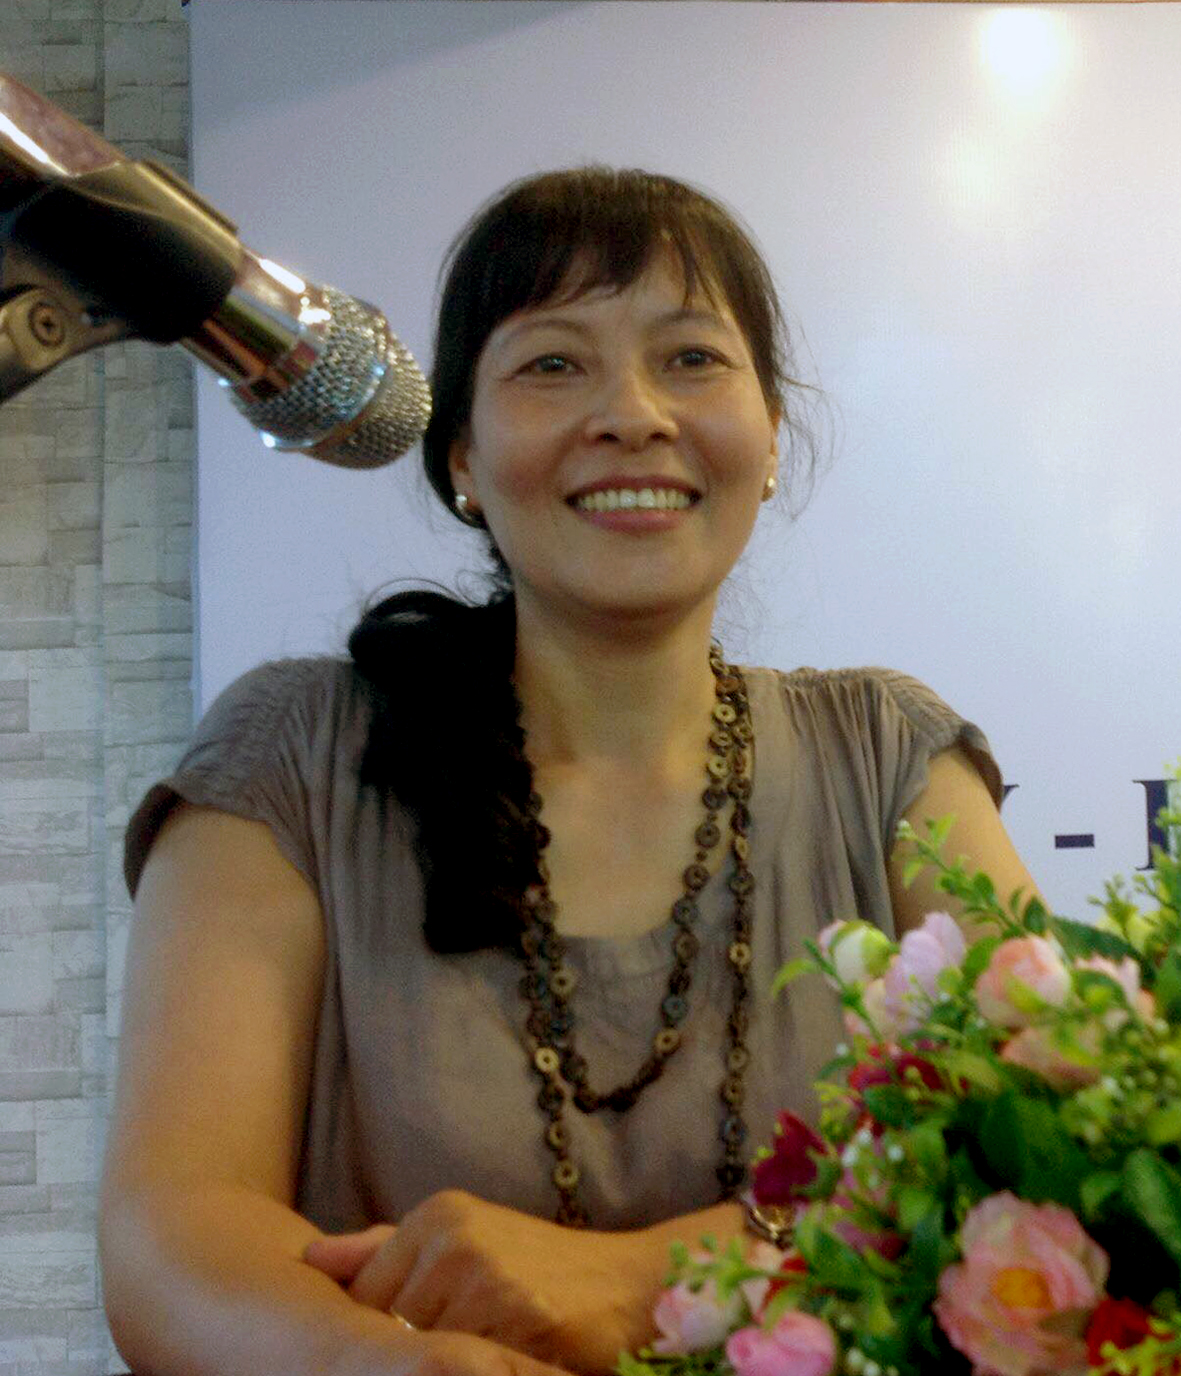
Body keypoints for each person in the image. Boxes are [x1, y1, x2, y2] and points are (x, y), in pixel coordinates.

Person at [99, 167, 1036, 1376]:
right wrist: (392, 1365)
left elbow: (1057, 1147)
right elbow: (175, 1232)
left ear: (768, 439)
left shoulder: (889, 758)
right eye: (551, 363)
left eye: (690, 358)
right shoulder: (294, 753)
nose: (631, 413)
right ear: (462, 458)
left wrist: (650, 1275)